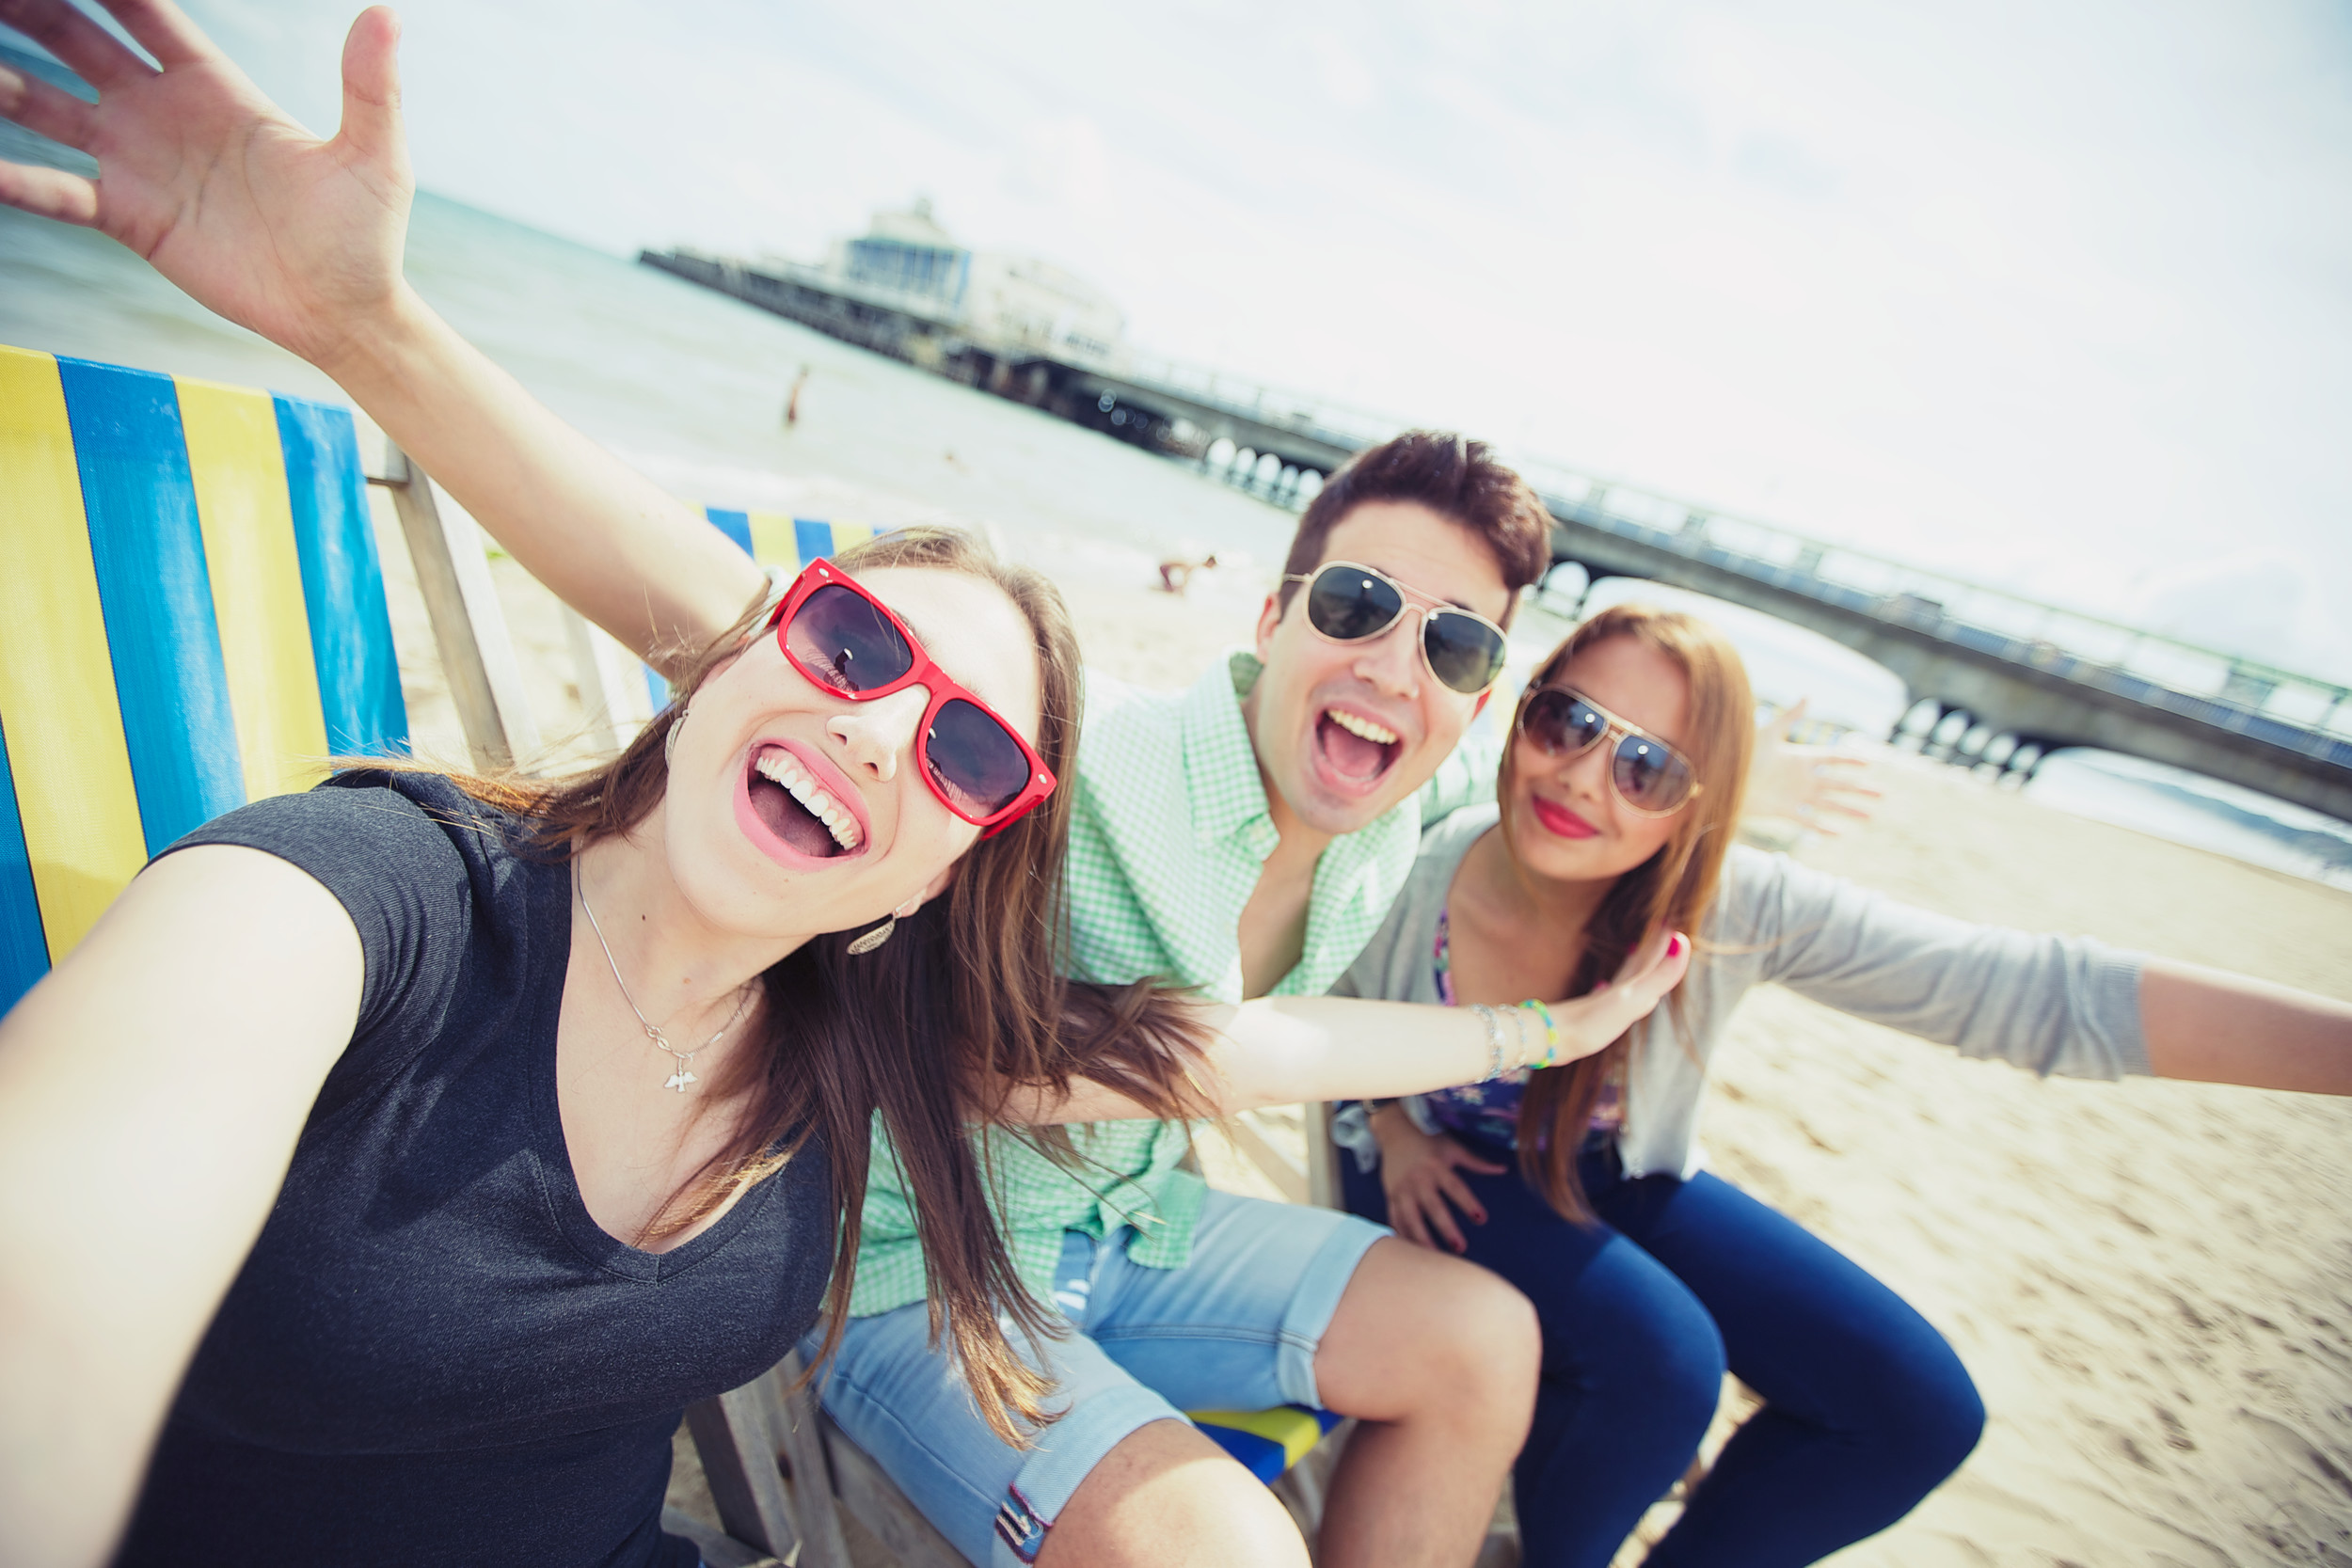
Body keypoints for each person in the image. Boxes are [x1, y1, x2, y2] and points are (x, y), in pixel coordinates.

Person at [0, 8, 1683, 1566]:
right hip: (933, 1270)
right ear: (1270, 617)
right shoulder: (380, 902)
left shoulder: (1359, 838)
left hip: (1128, 1230)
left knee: (1491, 1342)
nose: (1395, 662)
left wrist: (1553, 1024)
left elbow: (1297, 1029)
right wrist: (366, 326)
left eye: (1455, 646)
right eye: (1359, 604)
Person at [1330, 603, 2352, 1568]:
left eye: (1646, 764)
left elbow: (2028, 989)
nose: (1587, 775)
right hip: (1440, 1160)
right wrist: (1383, 1121)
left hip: (1617, 1166)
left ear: (1698, 803)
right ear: (1522, 708)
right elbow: (1302, 995)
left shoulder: (1723, 900)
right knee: (1663, 1364)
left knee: (1911, 1407)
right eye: (1569, 720)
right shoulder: (1412, 861)